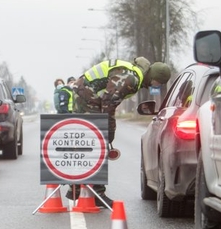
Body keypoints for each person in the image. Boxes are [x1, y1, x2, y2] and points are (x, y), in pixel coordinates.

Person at [67, 57, 172, 206]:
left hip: (86, 94)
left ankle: (80, 187)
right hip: (87, 97)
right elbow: (108, 104)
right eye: (158, 83)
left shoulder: (133, 75)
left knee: (91, 143)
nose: (156, 86)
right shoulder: (130, 79)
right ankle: (93, 191)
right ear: (154, 77)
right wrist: (110, 129)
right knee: (97, 142)